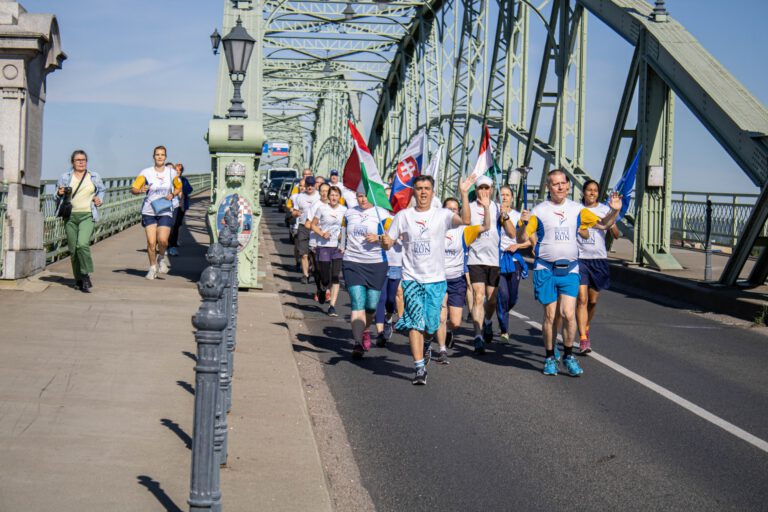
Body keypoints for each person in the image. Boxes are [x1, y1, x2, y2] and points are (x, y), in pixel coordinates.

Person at [517, 169, 621, 377]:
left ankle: (568, 356)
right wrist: (524, 223)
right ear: (548, 187)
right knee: (549, 315)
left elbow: (603, 224)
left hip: (570, 268)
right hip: (546, 268)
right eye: (556, 184)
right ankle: (549, 358)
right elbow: (521, 239)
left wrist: (614, 211)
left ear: (568, 186)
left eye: (563, 183)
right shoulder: (539, 211)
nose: (561, 187)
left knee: (568, 314)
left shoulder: (577, 210)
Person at [382, 175, 474, 385]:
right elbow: (388, 244)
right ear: (413, 191)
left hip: (435, 280)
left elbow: (466, 221)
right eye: (419, 188)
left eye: (427, 188)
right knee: (415, 323)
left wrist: (464, 195)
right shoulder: (403, 216)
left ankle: (428, 342)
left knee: (431, 325)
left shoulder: (442, 215)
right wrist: (385, 242)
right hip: (412, 278)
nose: (423, 192)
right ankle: (419, 368)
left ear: (433, 192)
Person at [435, 194, 490, 363]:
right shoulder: (435, 228)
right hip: (438, 278)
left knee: (456, 322)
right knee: (442, 317)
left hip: (456, 280)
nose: (452, 212)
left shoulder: (464, 231)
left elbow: (486, 226)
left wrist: (487, 207)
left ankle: (449, 332)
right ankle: (442, 350)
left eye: (454, 209)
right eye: (448, 209)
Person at [341, 190, 392, 358]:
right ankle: (357, 343)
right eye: (359, 196)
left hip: (376, 264)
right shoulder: (349, 213)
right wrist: (341, 247)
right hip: (352, 261)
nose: (362, 199)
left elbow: (391, 242)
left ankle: (365, 330)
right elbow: (342, 234)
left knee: (371, 305)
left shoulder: (382, 214)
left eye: (365, 196)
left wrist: (378, 238)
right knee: (357, 301)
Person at [576, 179, 620, 354]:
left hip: (598, 259)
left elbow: (616, 234)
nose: (592, 193)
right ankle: (583, 338)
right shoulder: (576, 210)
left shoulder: (604, 210)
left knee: (593, 301)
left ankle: (585, 326)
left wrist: (613, 217)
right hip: (580, 258)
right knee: (582, 299)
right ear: (583, 193)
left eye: (595, 190)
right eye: (589, 190)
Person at [55, 150, 106, 292]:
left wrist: (99, 199)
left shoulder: (94, 176)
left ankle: (85, 274)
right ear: (73, 162)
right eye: (78, 160)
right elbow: (56, 196)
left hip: (87, 215)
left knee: (82, 244)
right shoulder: (65, 177)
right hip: (70, 216)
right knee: (73, 250)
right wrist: (58, 193)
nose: (81, 162)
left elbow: (102, 190)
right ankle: (78, 279)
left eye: (83, 160)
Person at [462, 175, 500, 355]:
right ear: (476, 190)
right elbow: (465, 225)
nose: (484, 191)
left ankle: (487, 322)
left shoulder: (498, 208)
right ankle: (478, 336)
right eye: (480, 188)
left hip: (494, 260)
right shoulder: (469, 208)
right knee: (478, 296)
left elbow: (508, 231)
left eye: (487, 188)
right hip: (475, 259)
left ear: (491, 189)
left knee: (491, 300)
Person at [131, 145, 182, 280]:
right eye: (157, 154)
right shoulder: (146, 172)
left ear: (165, 157)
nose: (160, 157)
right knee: (151, 242)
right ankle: (152, 267)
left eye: (162, 155)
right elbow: (134, 188)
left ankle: (161, 257)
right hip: (149, 210)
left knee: (163, 240)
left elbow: (178, 186)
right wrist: (140, 190)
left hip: (165, 209)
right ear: (153, 157)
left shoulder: (171, 173)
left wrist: (173, 194)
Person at [496, 185, 531, 342]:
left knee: (513, 298)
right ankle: (504, 329)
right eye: (501, 194)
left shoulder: (518, 216)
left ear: (511, 197)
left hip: (514, 259)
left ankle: (501, 310)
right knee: (502, 294)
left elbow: (529, 242)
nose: (504, 197)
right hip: (497, 259)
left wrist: (517, 245)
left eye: (507, 195)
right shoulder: (493, 214)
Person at [311, 186, 347, 317]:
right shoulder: (322, 209)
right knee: (325, 278)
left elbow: (345, 227)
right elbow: (313, 224)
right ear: (328, 196)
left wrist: (342, 238)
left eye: (336, 195)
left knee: (336, 276)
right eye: (332, 195)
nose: (333, 198)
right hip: (323, 245)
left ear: (340, 197)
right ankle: (322, 288)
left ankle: (332, 306)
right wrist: (321, 233)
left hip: (337, 247)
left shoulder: (344, 210)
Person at [292, 176, 321, 283]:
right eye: (308, 185)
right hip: (303, 226)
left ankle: (313, 270)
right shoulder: (299, 197)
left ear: (315, 185)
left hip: (316, 227)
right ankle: (305, 275)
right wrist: (296, 213)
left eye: (312, 185)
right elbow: (294, 212)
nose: (310, 187)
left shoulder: (319, 196)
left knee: (313, 253)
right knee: (303, 253)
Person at [308, 182, 331, 301]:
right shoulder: (315, 205)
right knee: (317, 270)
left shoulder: (336, 206)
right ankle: (320, 288)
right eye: (322, 190)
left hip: (330, 244)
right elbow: (308, 223)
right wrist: (318, 228)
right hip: (315, 242)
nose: (324, 193)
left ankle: (326, 288)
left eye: (326, 191)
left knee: (328, 270)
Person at [168, 162, 193, 256]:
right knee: (171, 226)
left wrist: (181, 188)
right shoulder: (170, 180)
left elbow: (190, 189)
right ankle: (170, 245)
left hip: (180, 206)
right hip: (170, 205)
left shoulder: (183, 180)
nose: (178, 171)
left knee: (176, 225)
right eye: (176, 170)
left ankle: (172, 244)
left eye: (180, 170)